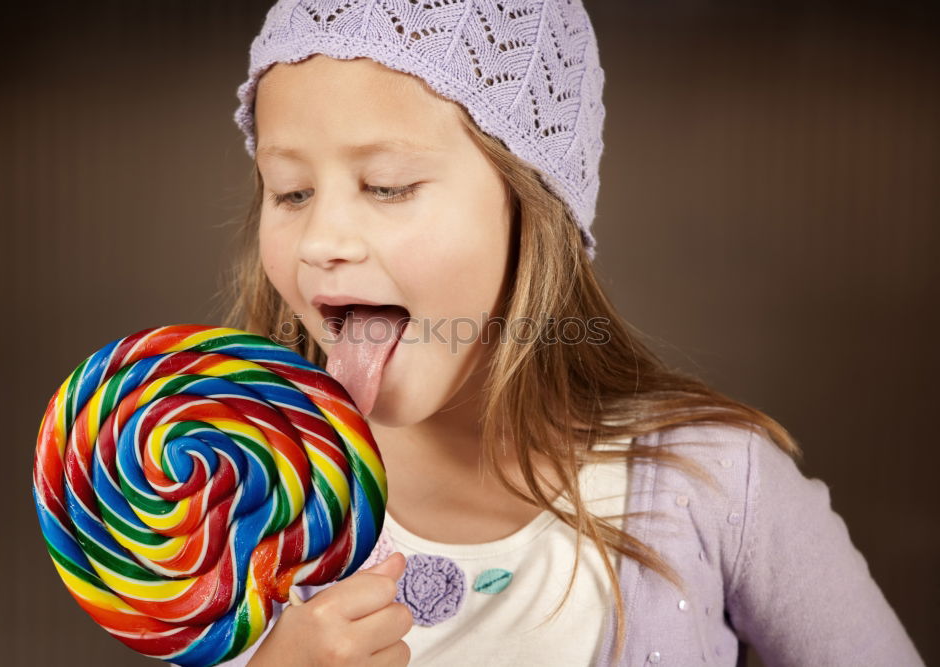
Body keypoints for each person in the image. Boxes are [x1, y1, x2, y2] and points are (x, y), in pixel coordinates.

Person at [208, 1, 924, 665]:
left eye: (388, 184)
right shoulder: (231, 502)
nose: (321, 240)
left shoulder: (713, 485)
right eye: (291, 192)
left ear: (533, 206)